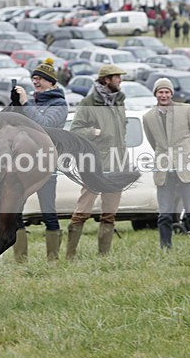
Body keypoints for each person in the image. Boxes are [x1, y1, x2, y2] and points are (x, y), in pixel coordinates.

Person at [65, 64, 128, 259]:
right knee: (83, 210)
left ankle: (104, 256)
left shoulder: (119, 102)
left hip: (117, 164)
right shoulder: (88, 102)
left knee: (110, 213)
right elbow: (75, 131)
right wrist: (92, 132)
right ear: (107, 80)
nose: (120, 80)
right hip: (95, 164)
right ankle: (70, 255)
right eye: (117, 77)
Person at [9, 59, 68, 262]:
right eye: (34, 78)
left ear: (51, 83)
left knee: (48, 212)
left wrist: (25, 104)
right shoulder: (33, 102)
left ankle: (53, 258)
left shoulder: (59, 104)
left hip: (45, 166)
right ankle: (20, 259)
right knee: (16, 211)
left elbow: (45, 124)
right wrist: (16, 105)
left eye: (40, 79)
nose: (36, 82)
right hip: (24, 165)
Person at [143, 78, 190, 250]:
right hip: (164, 170)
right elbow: (153, 142)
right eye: (160, 92)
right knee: (164, 213)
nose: (163, 95)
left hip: (187, 167)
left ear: (171, 93)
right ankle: (165, 248)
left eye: (166, 92)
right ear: (155, 94)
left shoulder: (185, 110)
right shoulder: (147, 117)